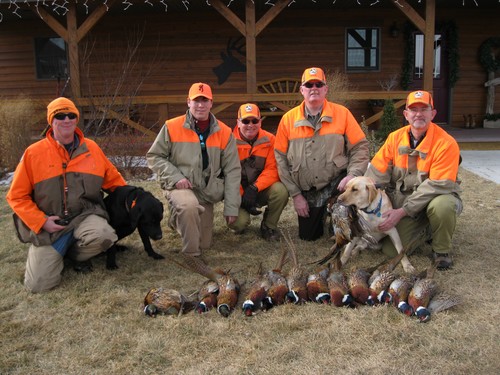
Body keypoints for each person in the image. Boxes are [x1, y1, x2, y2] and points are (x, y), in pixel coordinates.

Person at [6, 97, 127, 293]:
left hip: (85, 216)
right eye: (60, 116)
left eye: (71, 115)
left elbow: (115, 182)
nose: (66, 120)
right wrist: (41, 221)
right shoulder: (33, 154)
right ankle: (55, 253)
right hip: (51, 225)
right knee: (38, 285)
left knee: (105, 236)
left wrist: (136, 198)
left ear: (76, 119)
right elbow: (16, 197)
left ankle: (74, 254)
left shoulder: (92, 148)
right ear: (51, 121)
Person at [364, 90, 462, 270]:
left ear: (432, 114)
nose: (418, 114)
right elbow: (377, 173)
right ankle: (426, 227)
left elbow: (439, 185)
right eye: (413, 109)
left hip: (433, 199)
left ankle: (441, 250)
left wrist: (401, 212)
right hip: (404, 203)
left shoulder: (446, 143)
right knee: (390, 251)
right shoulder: (395, 138)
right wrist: (363, 194)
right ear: (406, 114)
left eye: (424, 109)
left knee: (443, 206)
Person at [146, 82, 241, 259]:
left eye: (205, 100)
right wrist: (175, 177)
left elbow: (233, 171)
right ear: (188, 102)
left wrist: (231, 207)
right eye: (196, 100)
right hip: (180, 186)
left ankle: (177, 218)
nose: (200, 105)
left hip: (206, 191)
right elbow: (154, 156)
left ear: (211, 103)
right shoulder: (171, 126)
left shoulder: (225, 132)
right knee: (189, 208)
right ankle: (192, 255)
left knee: (205, 242)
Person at [274, 67, 369, 241]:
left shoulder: (343, 114)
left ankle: (341, 216)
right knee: (309, 236)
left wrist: (352, 175)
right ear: (302, 90)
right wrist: (296, 195)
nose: (314, 88)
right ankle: (323, 216)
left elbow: (360, 147)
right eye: (309, 84)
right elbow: (280, 159)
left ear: (326, 89)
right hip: (308, 190)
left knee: (343, 234)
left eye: (319, 84)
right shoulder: (288, 119)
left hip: (337, 184)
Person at [229, 103, 289, 241]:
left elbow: (273, 169)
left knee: (281, 191)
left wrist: (254, 188)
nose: (250, 125)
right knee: (238, 224)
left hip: (259, 190)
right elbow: (228, 175)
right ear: (238, 123)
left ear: (260, 122)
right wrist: (242, 197)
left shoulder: (270, 140)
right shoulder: (229, 142)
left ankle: (269, 226)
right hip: (237, 194)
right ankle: (240, 217)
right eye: (245, 121)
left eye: (254, 121)